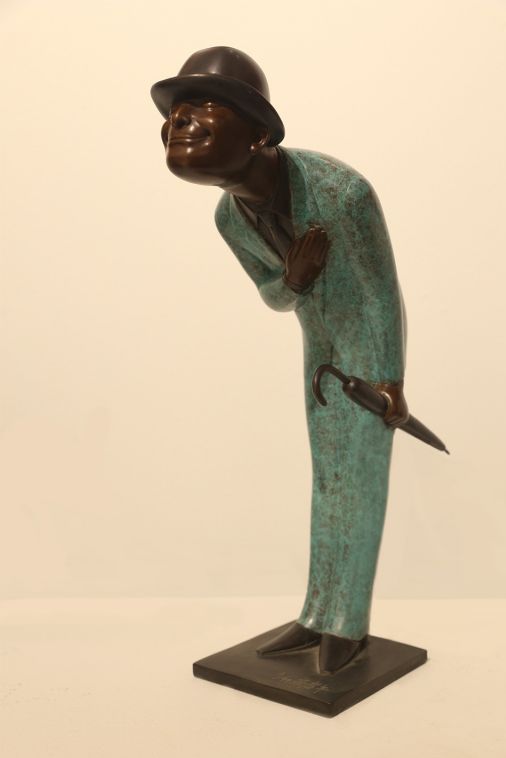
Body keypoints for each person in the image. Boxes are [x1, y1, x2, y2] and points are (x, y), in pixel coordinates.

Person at [151, 46, 408, 674]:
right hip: (319, 360)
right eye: (174, 111)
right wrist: (294, 278)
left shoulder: (340, 192)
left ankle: (348, 624)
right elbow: (274, 297)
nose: (179, 120)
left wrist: (390, 381)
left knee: (360, 483)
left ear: (260, 132)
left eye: (202, 105)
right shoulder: (229, 217)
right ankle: (318, 614)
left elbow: (381, 293)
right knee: (329, 485)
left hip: (366, 363)